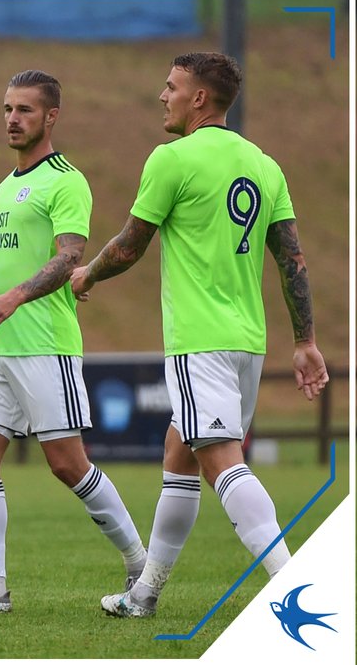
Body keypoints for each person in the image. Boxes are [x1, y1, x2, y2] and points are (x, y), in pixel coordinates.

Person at [71, 52, 329, 617]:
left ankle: (295, 589)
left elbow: (131, 244)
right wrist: (305, 339)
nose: (162, 96)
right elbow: (293, 261)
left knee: (220, 461)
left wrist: (87, 273)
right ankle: (144, 595)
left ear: (199, 99)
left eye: (171, 87)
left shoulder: (173, 159)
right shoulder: (264, 164)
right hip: (248, 343)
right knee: (180, 454)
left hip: (199, 340)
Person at [0, 70, 146, 615]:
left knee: (67, 464)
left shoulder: (66, 180)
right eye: (7, 108)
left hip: (45, 343)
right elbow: (4, 263)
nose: (12, 118)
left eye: (24, 110)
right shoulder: (2, 189)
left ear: (50, 117)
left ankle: (143, 565)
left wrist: (15, 297)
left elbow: (69, 255)